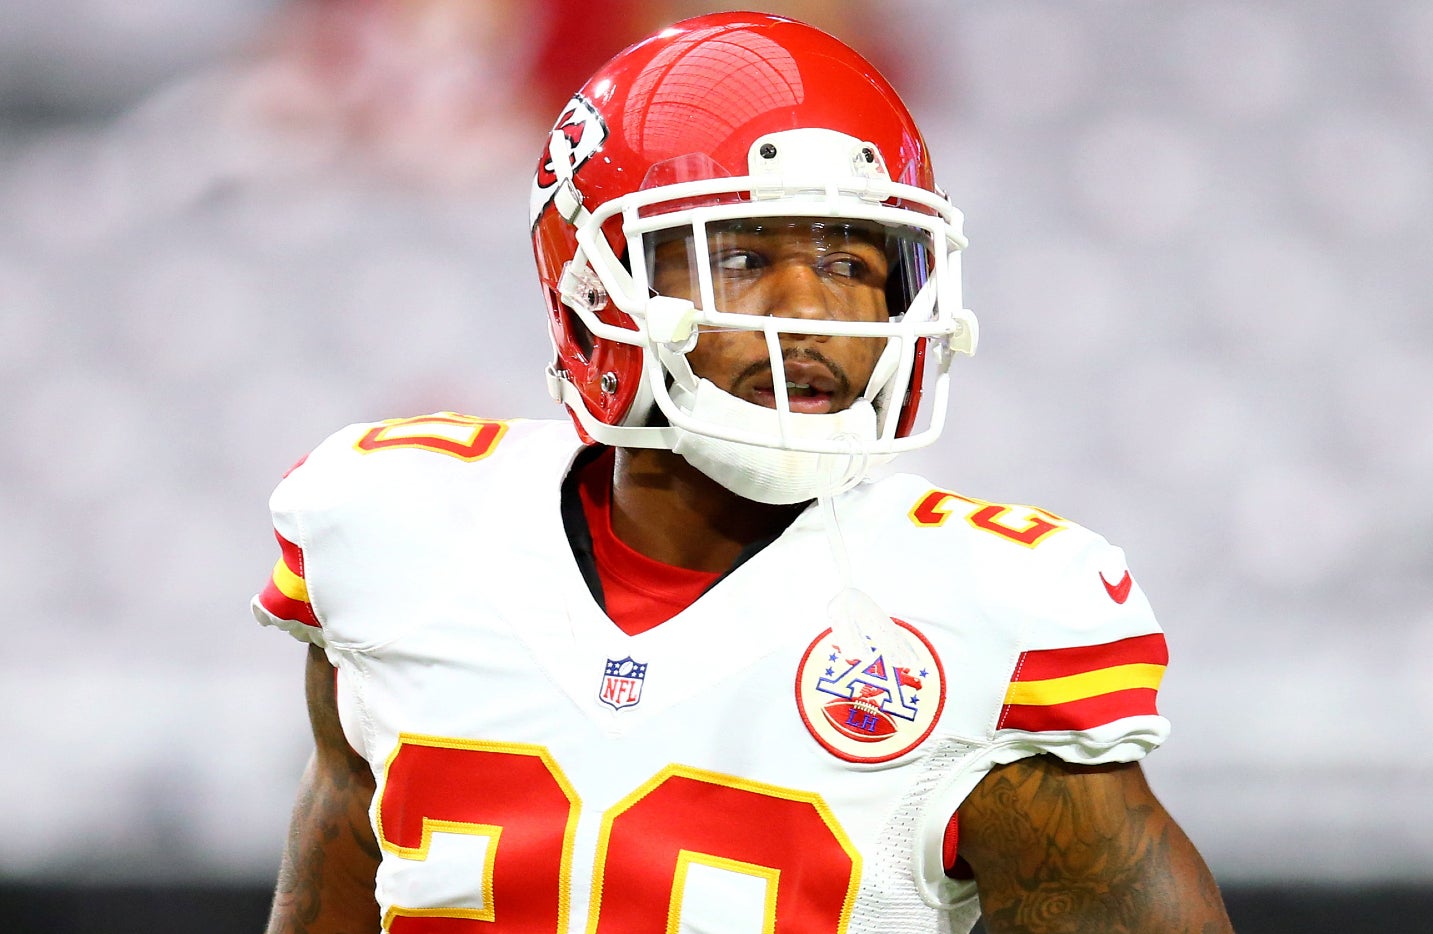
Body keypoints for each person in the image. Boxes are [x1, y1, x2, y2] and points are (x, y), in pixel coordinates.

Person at [253, 11, 1234, 933]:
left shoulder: (989, 612)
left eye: (853, 264)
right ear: (599, 287)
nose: (809, 310)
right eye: (742, 256)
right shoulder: (397, 528)